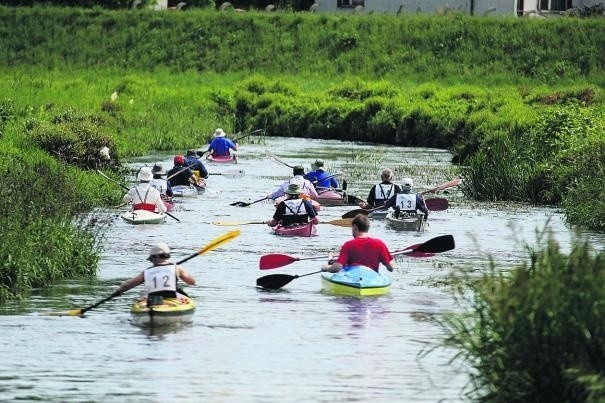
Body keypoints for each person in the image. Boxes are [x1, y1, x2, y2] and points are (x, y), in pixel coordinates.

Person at [113, 243, 196, 306]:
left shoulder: (147, 271)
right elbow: (192, 282)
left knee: (141, 298)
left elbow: (128, 285)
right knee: (185, 297)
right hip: (173, 298)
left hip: (152, 300)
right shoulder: (177, 268)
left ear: (155, 257)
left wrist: (118, 291)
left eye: (151, 259)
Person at [321, 214, 395, 273]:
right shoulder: (379, 244)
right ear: (367, 228)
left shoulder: (348, 245)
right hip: (371, 279)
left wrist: (326, 268)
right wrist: (392, 258)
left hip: (353, 279)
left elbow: (337, 268)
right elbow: (391, 268)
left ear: (355, 227)